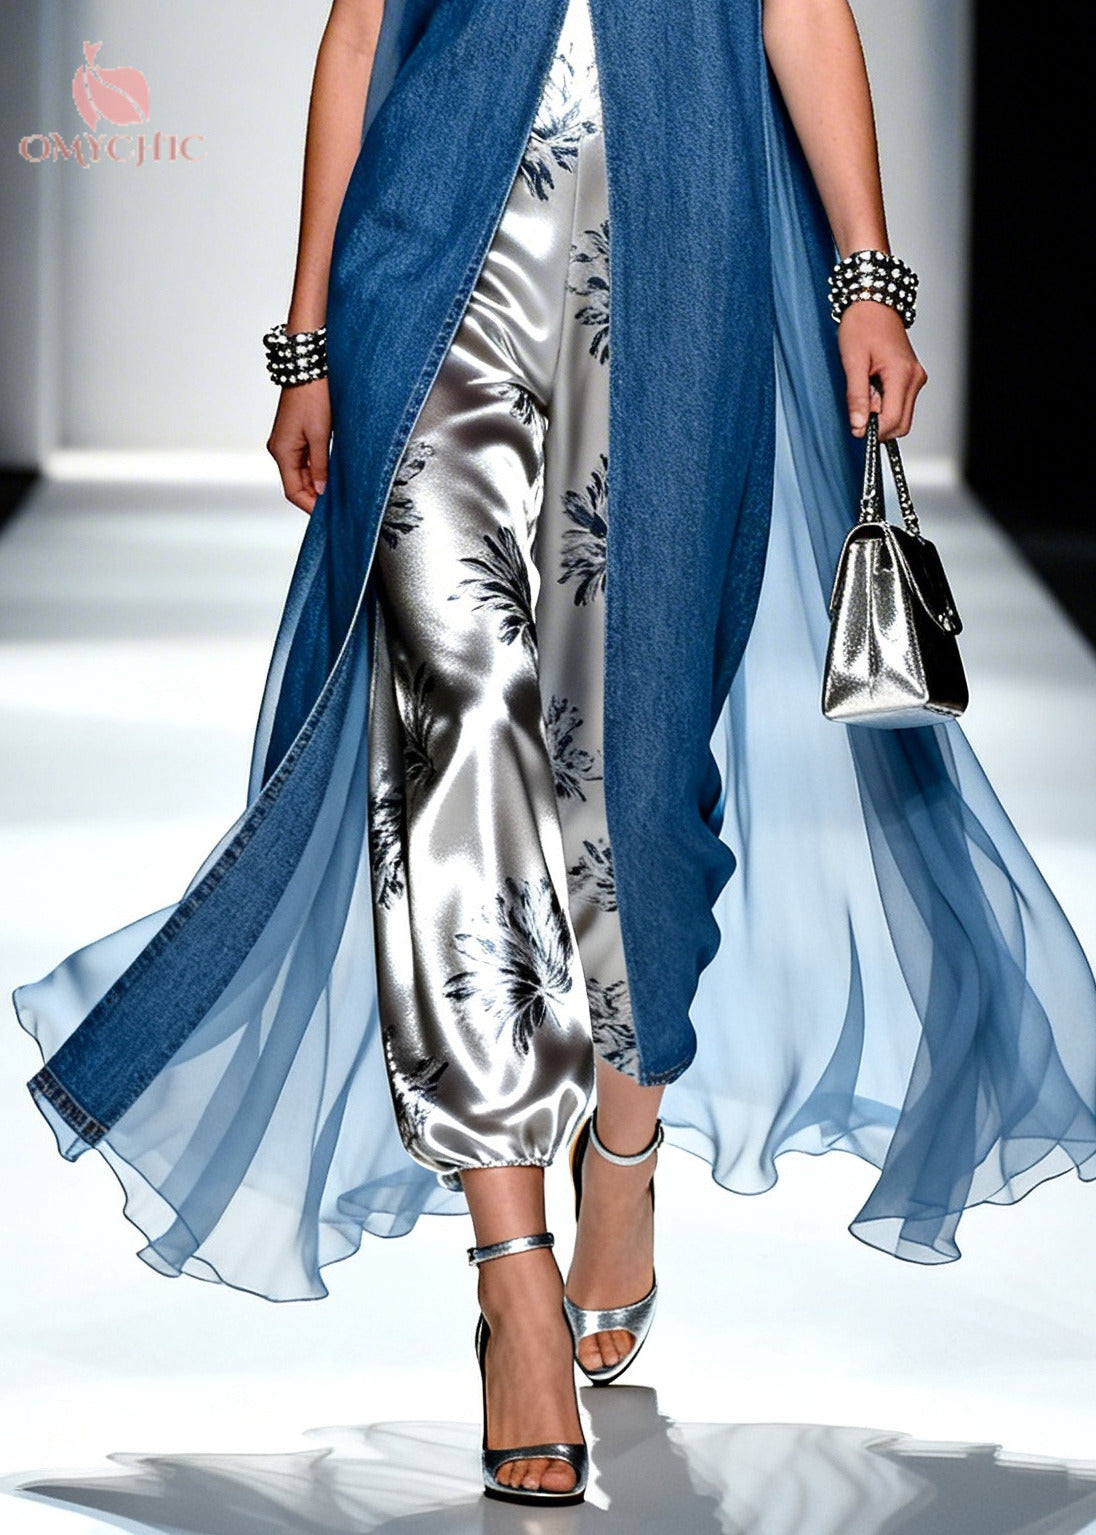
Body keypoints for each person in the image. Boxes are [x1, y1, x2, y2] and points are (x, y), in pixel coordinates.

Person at [13, 0, 1096, 1512]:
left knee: (632, 787)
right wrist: (308, 336)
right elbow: (360, 31)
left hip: (686, 267)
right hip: (431, 272)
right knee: (445, 744)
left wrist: (865, 275)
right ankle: (511, 1274)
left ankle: (624, 1145)